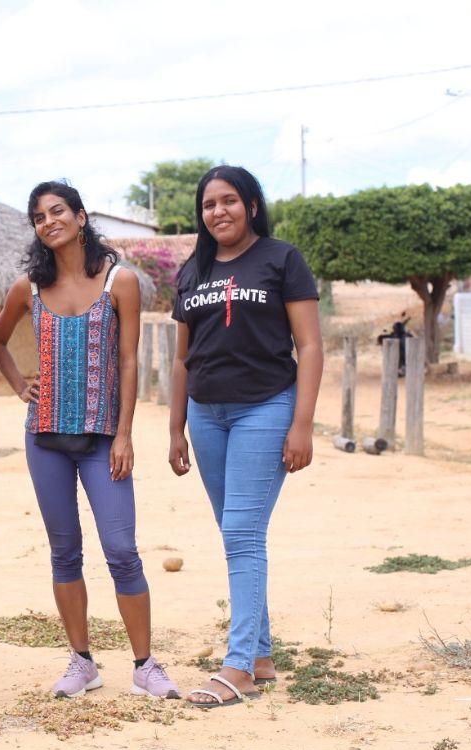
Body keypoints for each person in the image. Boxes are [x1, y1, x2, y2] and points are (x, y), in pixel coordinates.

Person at [0, 180, 180, 700]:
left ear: (79, 216)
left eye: (57, 211)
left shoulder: (120, 281)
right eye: (38, 217)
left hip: (102, 439)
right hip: (45, 434)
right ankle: (82, 663)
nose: (48, 222)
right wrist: (17, 382)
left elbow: (129, 360)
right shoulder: (26, 287)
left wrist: (124, 434)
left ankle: (144, 665)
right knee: (64, 551)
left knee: (121, 549)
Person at [166, 166, 323, 708]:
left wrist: (301, 425)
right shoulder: (191, 272)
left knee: (241, 533)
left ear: (252, 205)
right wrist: (175, 426)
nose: (219, 212)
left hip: (266, 407)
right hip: (206, 415)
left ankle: (237, 668)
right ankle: (259, 654)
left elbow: (310, 346)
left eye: (229, 201)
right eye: (209, 205)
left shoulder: (282, 260)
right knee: (236, 533)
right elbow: (183, 357)